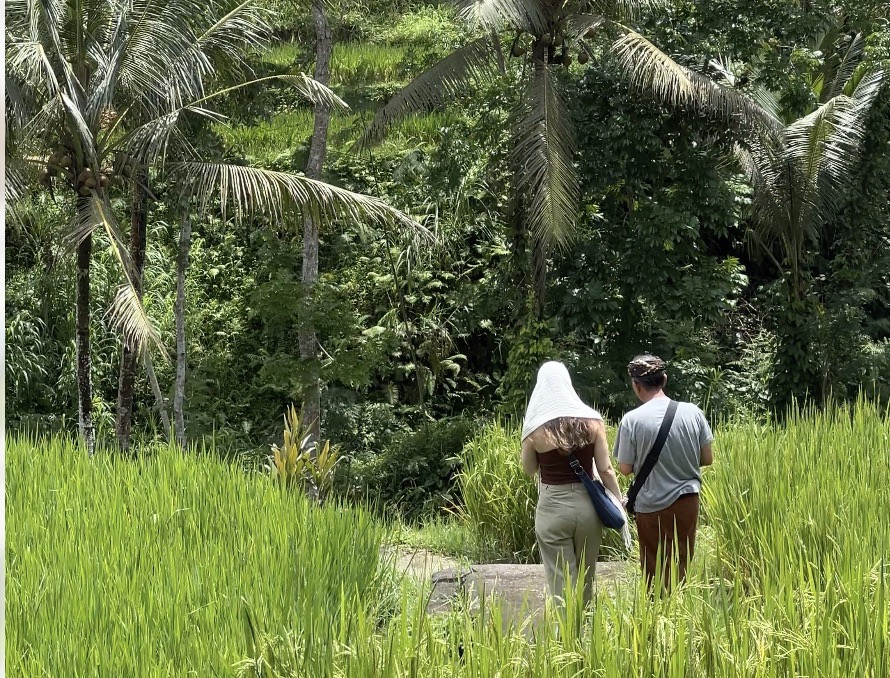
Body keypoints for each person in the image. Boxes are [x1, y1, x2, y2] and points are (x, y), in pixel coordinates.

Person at [519, 361, 624, 606]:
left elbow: (529, 470)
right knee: (586, 578)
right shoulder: (593, 422)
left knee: (560, 581)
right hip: (588, 509)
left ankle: (566, 638)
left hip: (552, 509)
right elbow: (606, 470)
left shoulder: (535, 428)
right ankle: (585, 634)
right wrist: (618, 501)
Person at [614, 354, 714, 592]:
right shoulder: (693, 412)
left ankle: (657, 617)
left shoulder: (632, 420)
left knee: (654, 569)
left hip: (651, 506)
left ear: (636, 386)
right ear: (664, 379)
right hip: (688, 500)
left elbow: (625, 469)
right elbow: (707, 458)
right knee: (682, 564)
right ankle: (681, 614)